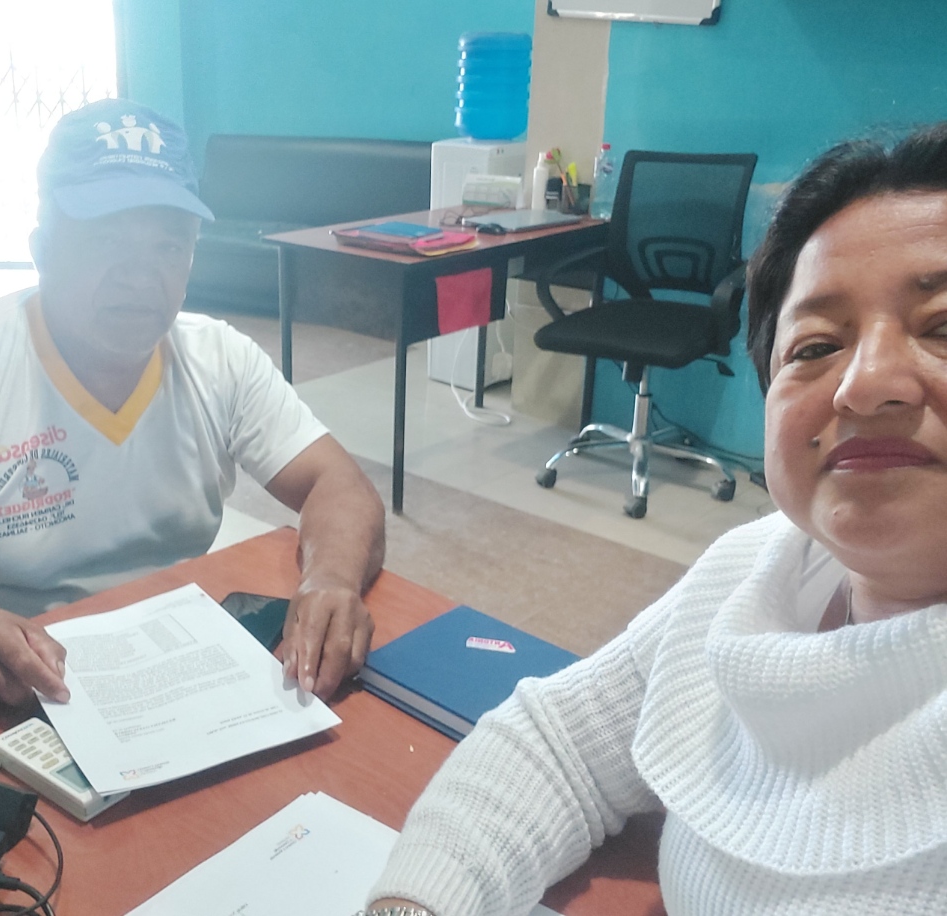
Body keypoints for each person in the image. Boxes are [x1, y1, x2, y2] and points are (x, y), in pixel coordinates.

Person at [363, 123, 947, 915]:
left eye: (940, 326)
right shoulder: (759, 568)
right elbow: (557, 747)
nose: (862, 385)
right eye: (814, 347)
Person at [0, 99, 384, 708]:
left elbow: (338, 484)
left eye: (168, 248)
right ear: (42, 249)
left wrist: (330, 579)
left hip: (174, 673)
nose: (140, 276)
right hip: (4, 693)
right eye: (105, 241)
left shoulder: (218, 359)